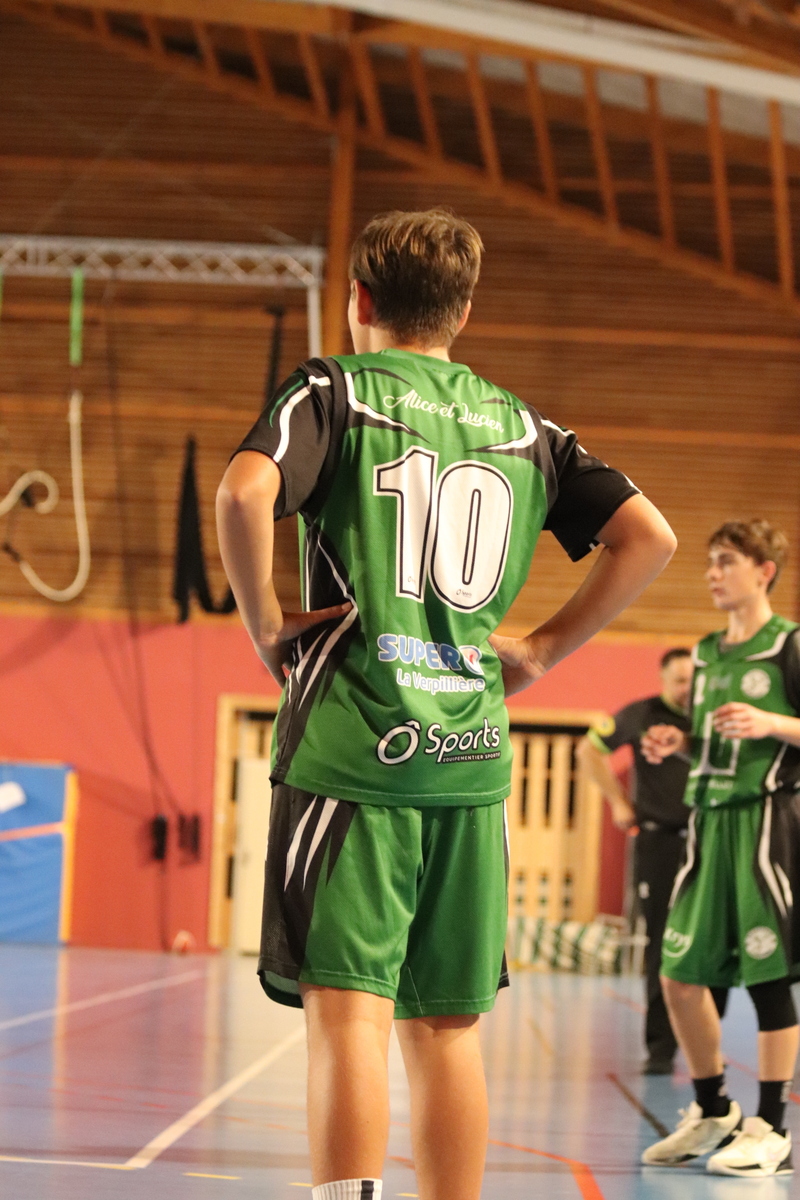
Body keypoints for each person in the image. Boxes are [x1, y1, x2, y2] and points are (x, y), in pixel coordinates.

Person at [216, 208, 676, 1200]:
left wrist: (263, 626)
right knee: (446, 1029)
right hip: (470, 762)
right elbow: (649, 536)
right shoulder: (525, 427)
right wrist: (542, 650)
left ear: (358, 300)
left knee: (350, 1017)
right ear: (463, 312)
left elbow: (244, 494)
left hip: (352, 749)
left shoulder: (333, 391)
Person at [641, 520, 800, 1178]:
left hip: (766, 823)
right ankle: (713, 1110)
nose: (712, 572)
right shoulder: (705, 653)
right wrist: (682, 743)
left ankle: (772, 1127)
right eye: (710, 561)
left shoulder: (789, 646)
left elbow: (769, 732)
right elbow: (716, 741)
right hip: (706, 823)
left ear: (764, 571)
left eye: (726, 561)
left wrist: (773, 723)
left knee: (767, 975)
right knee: (678, 975)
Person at [578, 648, 697, 1075]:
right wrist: (617, 801)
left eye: (693, 679)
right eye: (679, 680)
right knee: (661, 941)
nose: (686, 688)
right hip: (659, 841)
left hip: (708, 840)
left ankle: (704, 1040)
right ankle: (661, 1048)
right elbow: (588, 751)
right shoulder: (641, 714)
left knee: (709, 941)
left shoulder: (709, 717)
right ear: (664, 680)